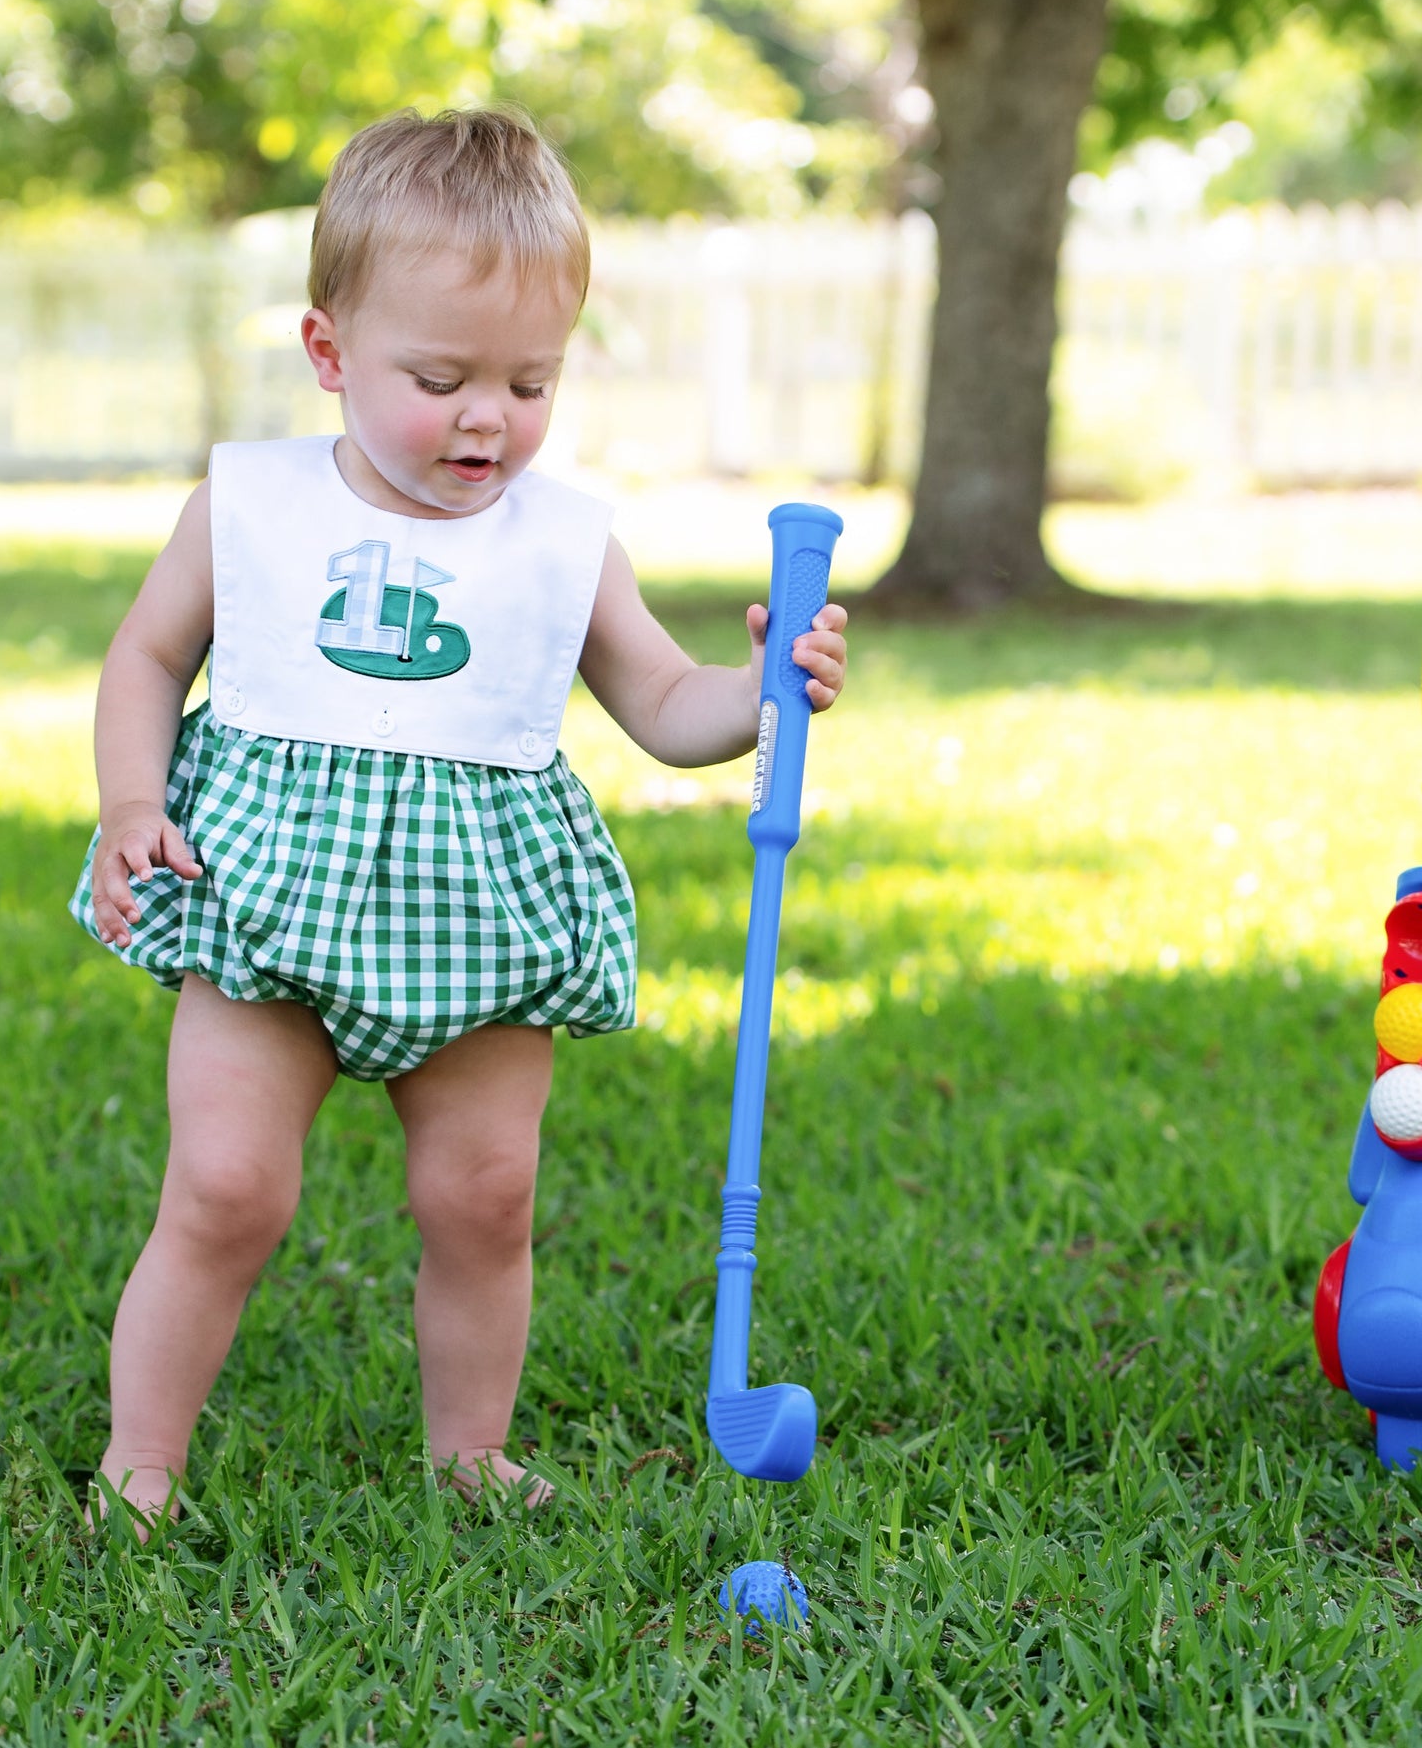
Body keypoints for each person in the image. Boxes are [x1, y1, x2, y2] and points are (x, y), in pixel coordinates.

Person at [70, 106, 847, 1530]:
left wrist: (759, 691)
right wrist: (133, 797)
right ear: (330, 352)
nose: (489, 416)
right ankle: (141, 1460)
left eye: (530, 380)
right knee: (227, 1188)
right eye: (440, 379)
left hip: (476, 913)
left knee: (485, 1197)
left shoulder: (565, 541)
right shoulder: (249, 504)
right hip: (266, 899)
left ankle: (469, 1452)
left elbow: (664, 702)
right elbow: (147, 658)